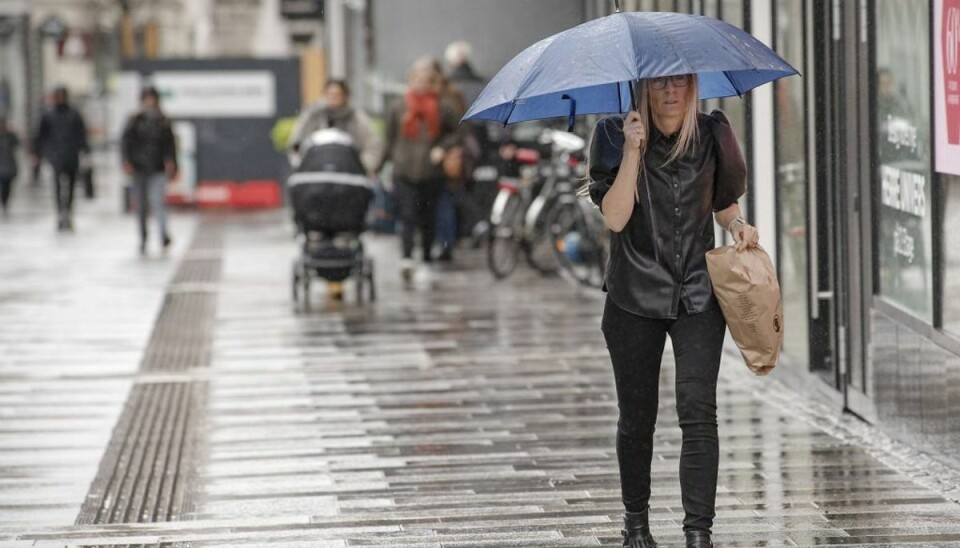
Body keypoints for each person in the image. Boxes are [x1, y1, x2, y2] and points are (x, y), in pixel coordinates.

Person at [586, 74, 759, 548]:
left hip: (697, 293)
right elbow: (615, 217)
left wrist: (739, 225)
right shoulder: (612, 135)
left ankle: (698, 532)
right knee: (637, 417)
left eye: (681, 81)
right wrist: (631, 152)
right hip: (633, 296)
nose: (671, 92)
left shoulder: (712, 134)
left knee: (698, 409)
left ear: (693, 86)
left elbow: (725, 204)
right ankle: (636, 523)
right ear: (644, 87)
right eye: (660, 82)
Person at [379, 57, 459, 281]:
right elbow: (389, 139)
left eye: (425, 80)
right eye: (416, 79)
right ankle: (405, 258)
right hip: (403, 170)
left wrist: (442, 148)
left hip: (431, 172)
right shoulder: (398, 106)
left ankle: (425, 257)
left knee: (428, 217)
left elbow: (458, 132)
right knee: (407, 215)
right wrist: (377, 165)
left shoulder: (443, 106)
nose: (420, 84)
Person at [121, 86, 178, 255]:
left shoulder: (163, 120)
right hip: (139, 168)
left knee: (158, 202)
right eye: (147, 98)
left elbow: (170, 144)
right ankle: (143, 237)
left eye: (152, 98)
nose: (149, 101)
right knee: (142, 205)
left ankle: (163, 234)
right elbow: (125, 142)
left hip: (157, 167)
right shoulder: (135, 120)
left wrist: (172, 162)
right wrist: (126, 161)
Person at [288, 80, 382, 175]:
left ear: (346, 96)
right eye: (329, 94)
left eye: (337, 95)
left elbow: (373, 146)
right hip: (315, 172)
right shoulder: (312, 116)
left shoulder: (357, 118)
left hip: (349, 173)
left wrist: (361, 167)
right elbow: (296, 143)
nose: (333, 98)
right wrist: (302, 165)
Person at [31, 86, 89, 231]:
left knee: (70, 187)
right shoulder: (48, 115)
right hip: (55, 156)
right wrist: (36, 152)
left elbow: (81, 133)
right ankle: (59, 214)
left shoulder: (74, 114)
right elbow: (40, 135)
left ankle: (68, 213)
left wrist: (86, 151)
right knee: (57, 186)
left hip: (71, 155)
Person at [0, 118, 19, 215]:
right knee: (2, 185)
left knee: (7, 186)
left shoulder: (10, 136)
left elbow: (17, 144)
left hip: (9, 165)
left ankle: (5, 202)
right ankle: (3, 201)